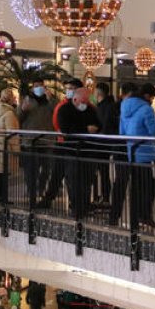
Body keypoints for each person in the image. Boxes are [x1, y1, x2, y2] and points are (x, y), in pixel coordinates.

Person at [39, 86, 101, 215]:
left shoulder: (90, 109)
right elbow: (66, 129)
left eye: (86, 101)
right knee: (72, 180)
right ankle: (77, 207)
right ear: (75, 98)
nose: (85, 104)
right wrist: (86, 129)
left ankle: (83, 205)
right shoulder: (64, 109)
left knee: (86, 180)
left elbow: (98, 125)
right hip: (69, 150)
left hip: (87, 151)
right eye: (82, 101)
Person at [112, 83, 155, 228]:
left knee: (136, 187)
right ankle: (144, 216)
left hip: (131, 151)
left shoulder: (124, 106)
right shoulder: (147, 109)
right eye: (152, 97)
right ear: (147, 96)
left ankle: (135, 218)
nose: (153, 100)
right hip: (145, 153)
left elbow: (122, 132)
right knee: (148, 187)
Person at [40, 78, 84, 205]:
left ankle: (73, 201)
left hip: (73, 144)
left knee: (71, 175)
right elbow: (56, 123)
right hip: (62, 143)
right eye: (67, 88)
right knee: (58, 173)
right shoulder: (62, 105)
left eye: (71, 88)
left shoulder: (81, 105)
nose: (68, 91)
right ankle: (50, 199)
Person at [18, 76, 55, 203]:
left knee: (46, 168)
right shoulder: (27, 100)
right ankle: (31, 191)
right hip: (30, 141)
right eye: (36, 86)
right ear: (32, 88)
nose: (38, 88)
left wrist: (51, 100)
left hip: (47, 140)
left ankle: (41, 189)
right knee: (30, 169)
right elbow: (18, 117)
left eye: (40, 86)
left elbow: (56, 114)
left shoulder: (50, 100)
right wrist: (23, 109)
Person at [93, 81, 120, 205]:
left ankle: (104, 196)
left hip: (102, 143)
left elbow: (105, 124)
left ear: (98, 92)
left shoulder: (105, 107)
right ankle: (102, 195)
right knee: (102, 171)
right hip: (104, 142)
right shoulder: (108, 105)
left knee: (102, 171)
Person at [0, 88, 21, 180]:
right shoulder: (9, 114)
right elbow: (12, 134)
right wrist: (16, 151)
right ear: (10, 99)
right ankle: (2, 194)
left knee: (0, 177)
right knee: (5, 177)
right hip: (7, 148)